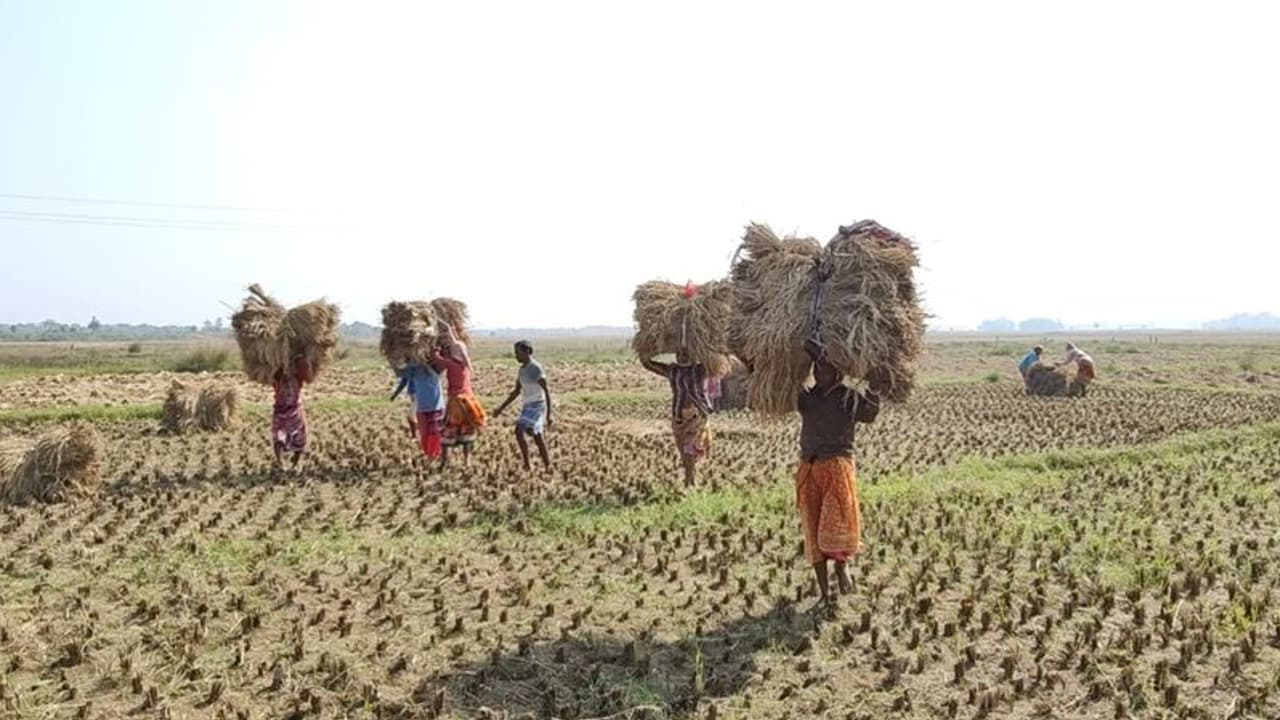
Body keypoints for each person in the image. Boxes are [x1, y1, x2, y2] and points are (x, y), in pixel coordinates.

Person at [796, 339, 882, 605]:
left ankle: (842, 568)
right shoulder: (807, 398)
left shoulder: (847, 397)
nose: (820, 374)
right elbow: (778, 391)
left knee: (835, 525)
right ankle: (824, 592)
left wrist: (874, 385)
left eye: (826, 369)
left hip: (837, 466)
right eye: (817, 369)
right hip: (809, 466)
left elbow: (869, 415)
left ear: (837, 372)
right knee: (813, 531)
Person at [641, 351, 712, 486]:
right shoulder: (672, 371)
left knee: (690, 447)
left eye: (685, 353)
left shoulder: (700, 370)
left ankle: (690, 481)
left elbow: (716, 363)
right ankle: (690, 477)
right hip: (679, 417)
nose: (682, 356)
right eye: (679, 354)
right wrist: (646, 350)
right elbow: (647, 364)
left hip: (697, 416)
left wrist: (704, 349)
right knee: (684, 451)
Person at [492, 340, 552, 472]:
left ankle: (527, 464)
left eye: (518, 353)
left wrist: (549, 414)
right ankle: (547, 465)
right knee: (537, 436)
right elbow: (516, 392)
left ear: (527, 352)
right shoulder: (522, 370)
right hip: (527, 405)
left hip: (538, 405)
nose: (516, 356)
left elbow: (546, 391)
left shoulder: (536, 368)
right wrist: (500, 409)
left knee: (519, 430)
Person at [434, 324, 487, 467]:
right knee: (466, 430)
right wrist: (448, 327)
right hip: (469, 400)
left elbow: (436, 359)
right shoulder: (465, 365)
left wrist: (436, 350)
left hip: (456, 402)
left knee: (448, 430)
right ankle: (466, 460)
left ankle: (444, 462)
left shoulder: (450, 364)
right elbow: (455, 342)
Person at [392, 356, 446, 462]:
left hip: (436, 408)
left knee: (434, 434)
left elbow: (443, 364)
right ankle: (430, 456)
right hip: (422, 409)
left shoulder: (435, 370)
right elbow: (400, 374)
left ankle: (435, 456)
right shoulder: (414, 370)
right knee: (425, 435)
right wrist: (392, 360)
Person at [272, 355, 313, 475]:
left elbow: (306, 374)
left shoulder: (297, 378)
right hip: (281, 410)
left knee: (300, 437)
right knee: (278, 436)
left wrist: (298, 360)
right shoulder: (277, 378)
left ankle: (295, 462)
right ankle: (279, 462)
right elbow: (276, 374)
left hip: (294, 410)